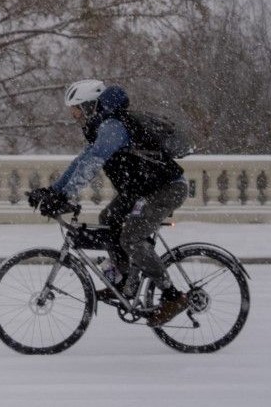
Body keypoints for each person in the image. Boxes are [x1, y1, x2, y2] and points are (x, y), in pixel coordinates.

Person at [28, 79, 191, 326]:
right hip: (142, 191)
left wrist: (63, 196)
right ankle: (126, 280)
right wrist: (53, 191)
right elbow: (80, 163)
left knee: (132, 237)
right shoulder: (102, 128)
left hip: (166, 188)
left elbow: (93, 162)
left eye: (77, 109)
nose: (75, 116)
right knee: (108, 220)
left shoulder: (114, 127)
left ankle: (172, 296)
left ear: (91, 106)